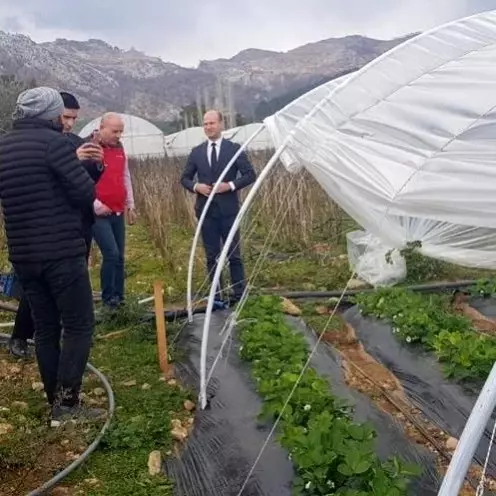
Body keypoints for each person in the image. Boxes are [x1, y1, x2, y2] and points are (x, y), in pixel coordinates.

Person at [0, 87, 104, 425]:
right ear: (51, 114)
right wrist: (86, 166)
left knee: (45, 328)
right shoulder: (56, 144)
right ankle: (68, 404)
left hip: (24, 254)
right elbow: (84, 194)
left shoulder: (4, 147)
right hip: (60, 251)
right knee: (78, 324)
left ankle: (55, 405)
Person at [180, 110, 256, 303]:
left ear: (221, 124)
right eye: (205, 124)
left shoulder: (234, 149)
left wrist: (229, 186)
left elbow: (249, 174)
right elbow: (185, 178)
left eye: (212, 123)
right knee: (211, 256)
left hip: (228, 211)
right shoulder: (197, 152)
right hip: (206, 212)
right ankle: (217, 296)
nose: (208, 127)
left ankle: (239, 295)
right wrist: (197, 187)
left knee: (234, 255)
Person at [90, 112, 136, 307]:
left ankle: (119, 297)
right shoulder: (90, 148)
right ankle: (109, 299)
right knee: (111, 254)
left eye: (121, 131)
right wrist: (95, 205)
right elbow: (79, 179)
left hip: (118, 210)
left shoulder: (119, 148)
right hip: (98, 213)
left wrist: (131, 205)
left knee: (120, 256)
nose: (118, 135)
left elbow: (125, 176)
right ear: (102, 128)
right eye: (114, 131)